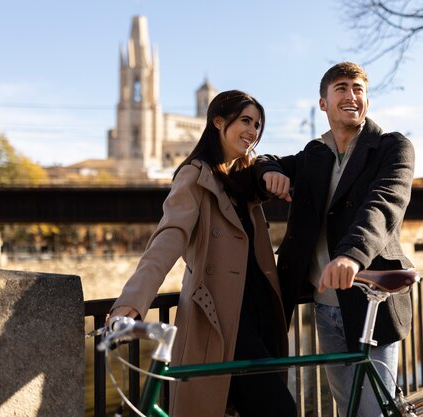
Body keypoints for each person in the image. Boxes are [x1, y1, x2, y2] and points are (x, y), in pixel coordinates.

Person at [109, 90, 296, 417]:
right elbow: (168, 238)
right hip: (223, 320)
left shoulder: (243, 179)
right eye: (245, 121)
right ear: (219, 122)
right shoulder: (195, 175)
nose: (252, 131)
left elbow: (275, 164)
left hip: (258, 314)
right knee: (279, 408)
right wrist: (132, 302)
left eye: (258, 124)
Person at [257, 62, 415, 417]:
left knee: (372, 412)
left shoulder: (392, 147)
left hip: (369, 301)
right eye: (341, 88)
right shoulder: (316, 154)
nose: (351, 95)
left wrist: (352, 255)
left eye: (358, 89)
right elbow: (265, 161)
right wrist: (269, 170)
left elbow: (383, 205)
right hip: (326, 306)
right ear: (324, 103)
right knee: (347, 408)